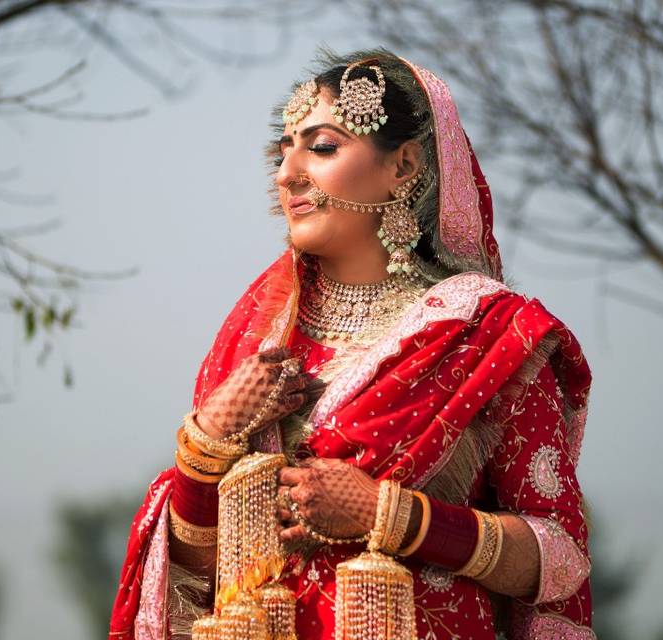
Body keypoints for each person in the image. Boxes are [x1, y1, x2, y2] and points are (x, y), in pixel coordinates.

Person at [110, 47, 595, 640]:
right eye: (281, 151)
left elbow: (561, 558)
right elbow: (198, 577)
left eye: (321, 147)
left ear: (405, 165)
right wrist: (205, 447)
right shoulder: (254, 336)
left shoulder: (487, 334)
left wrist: (391, 516)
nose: (287, 175)